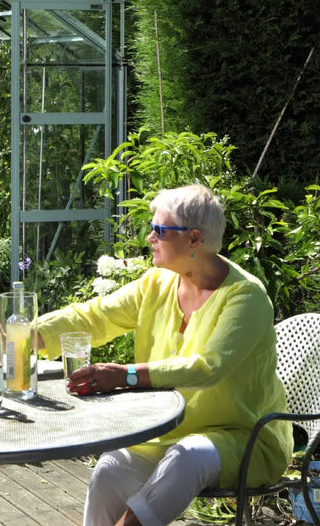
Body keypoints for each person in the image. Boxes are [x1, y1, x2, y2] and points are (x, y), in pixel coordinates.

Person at [35, 184, 293, 526]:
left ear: (194, 239)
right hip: (167, 431)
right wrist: (21, 332)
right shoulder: (156, 283)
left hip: (244, 435)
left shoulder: (246, 297)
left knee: (187, 458)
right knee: (109, 470)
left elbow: (208, 367)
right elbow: (94, 316)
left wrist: (126, 374)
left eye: (159, 230)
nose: (149, 238)